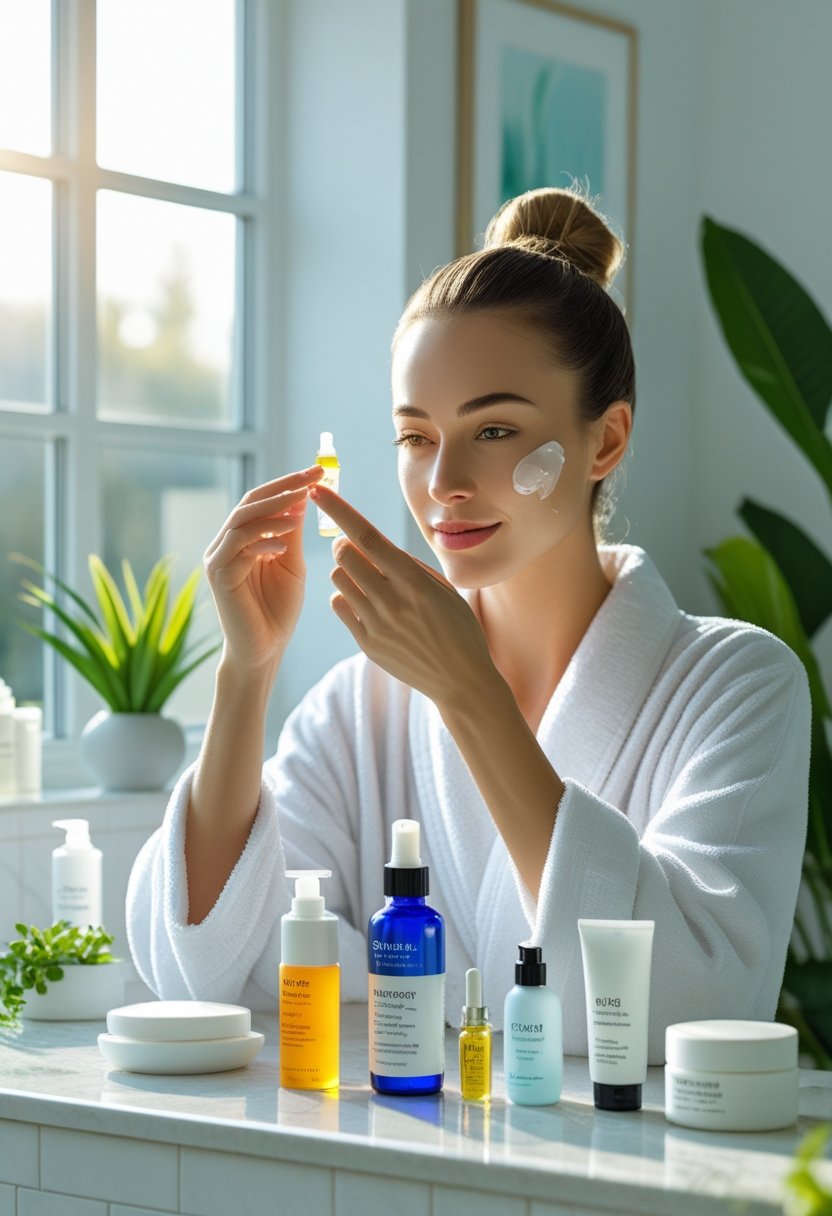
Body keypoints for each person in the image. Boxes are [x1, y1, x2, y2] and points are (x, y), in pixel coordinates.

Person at [126, 186, 810, 1063]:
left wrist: (469, 693)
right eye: (416, 436)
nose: (443, 481)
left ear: (605, 442)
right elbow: (207, 961)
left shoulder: (737, 685)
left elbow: (683, 1001)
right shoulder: (363, 706)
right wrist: (246, 672)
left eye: (493, 429)